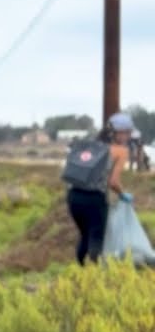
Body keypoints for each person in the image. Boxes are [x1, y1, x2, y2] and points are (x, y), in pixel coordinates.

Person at [65, 113, 134, 265]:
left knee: (84, 235)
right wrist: (123, 195)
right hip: (94, 199)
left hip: (73, 196)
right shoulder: (121, 151)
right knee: (96, 237)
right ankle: (93, 276)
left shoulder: (91, 145)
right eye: (127, 132)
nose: (129, 136)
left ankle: (81, 272)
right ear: (118, 133)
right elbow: (113, 182)